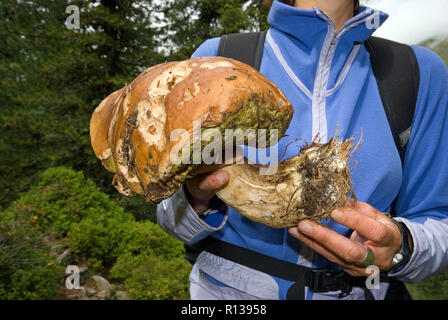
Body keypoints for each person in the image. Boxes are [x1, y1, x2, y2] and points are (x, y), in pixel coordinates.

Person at [157, 0, 448, 300]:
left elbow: (438, 221)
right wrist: (194, 200)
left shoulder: (416, 73)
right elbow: (168, 212)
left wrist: (400, 247)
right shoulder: (217, 60)